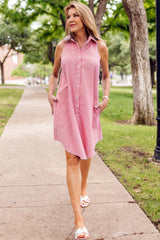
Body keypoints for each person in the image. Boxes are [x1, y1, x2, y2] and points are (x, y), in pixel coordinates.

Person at [48, 1, 110, 239]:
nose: (71, 19)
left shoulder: (100, 46)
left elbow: (106, 75)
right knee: (72, 157)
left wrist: (105, 97)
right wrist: (51, 93)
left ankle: (84, 186)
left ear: (85, 18)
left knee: (87, 152)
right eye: (68, 16)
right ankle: (79, 220)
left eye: (75, 15)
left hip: (88, 108)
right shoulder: (62, 46)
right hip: (65, 107)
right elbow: (54, 73)